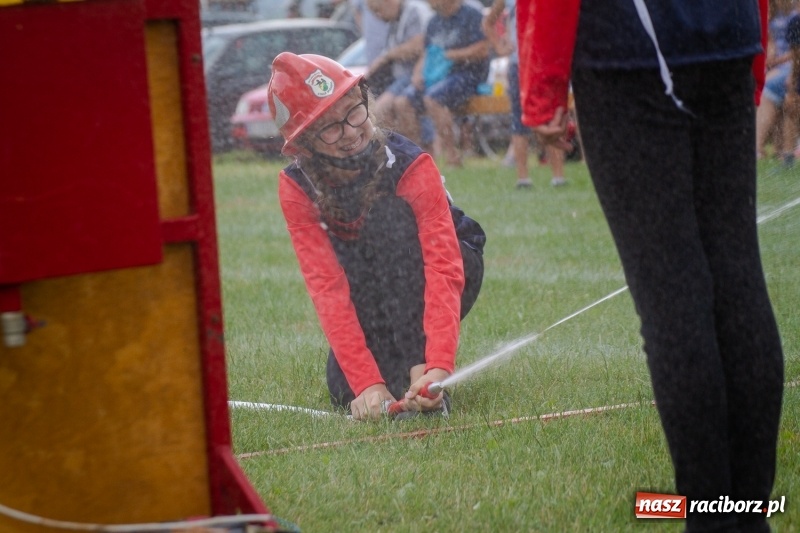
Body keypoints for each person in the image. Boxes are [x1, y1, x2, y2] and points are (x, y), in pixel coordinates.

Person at [518, 2, 784, 532]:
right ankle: (748, 517)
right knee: (736, 275)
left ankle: (713, 520)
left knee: (672, 295)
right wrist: (750, 48)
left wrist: (541, 86)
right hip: (726, 36)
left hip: (632, 48)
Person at [266, 53, 485, 421]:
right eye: (330, 128)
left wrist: (434, 366)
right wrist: (367, 383)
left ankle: (416, 366)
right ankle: (397, 370)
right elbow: (327, 288)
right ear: (304, 145)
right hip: (371, 279)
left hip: (451, 263)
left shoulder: (411, 165)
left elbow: (443, 268)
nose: (351, 132)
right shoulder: (296, 188)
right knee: (343, 386)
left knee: (389, 220)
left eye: (354, 112)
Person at [483, 0, 568, 189]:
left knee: (551, 116)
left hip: (546, 61)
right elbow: (488, 22)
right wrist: (499, 46)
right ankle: (523, 178)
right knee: (519, 121)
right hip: (520, 64)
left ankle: (558, 176)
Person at [394, 0, 490, 167]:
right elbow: (427, 53)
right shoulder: (434, 21)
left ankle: (452, 156)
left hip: (466, 75)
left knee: (433, 99)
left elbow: (483, 49)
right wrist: (417, 74)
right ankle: (419, 158)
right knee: (402, 103)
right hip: (436, 76)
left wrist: (451, 55)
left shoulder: (471, 15)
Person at [365, 0, 433, 136]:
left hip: (417, 74)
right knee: (380, 111)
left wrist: (387, 57)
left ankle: (411, 151)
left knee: (380, 110)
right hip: (402, 77)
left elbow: (418, 45)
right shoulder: (394, 20)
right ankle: (400, 150)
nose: (378, 16)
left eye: (378, 10)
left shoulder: (413, 11)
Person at [755, 0, 799, 163]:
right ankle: (780, 150)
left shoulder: (795, 14)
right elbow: (771, 40)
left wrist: (778, 62)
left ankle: (757, 146)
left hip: (792, 64)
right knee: (766, 85)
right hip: (780, 64)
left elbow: (797, 52)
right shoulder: (773, 9)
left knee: (770, 88)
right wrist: (770, 56)